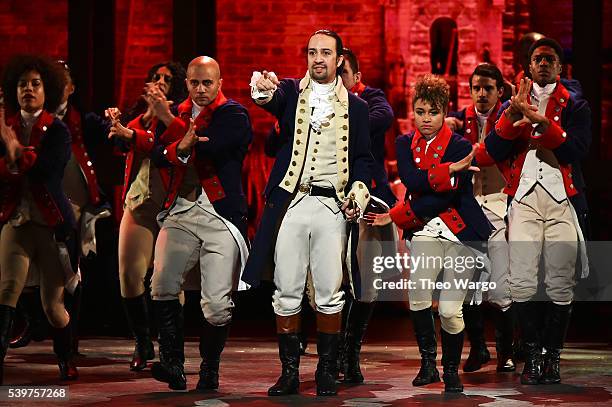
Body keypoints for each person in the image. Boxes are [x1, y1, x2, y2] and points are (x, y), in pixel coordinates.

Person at [244, 29, 373, 397]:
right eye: (312, 52)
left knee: (330, 290)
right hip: (293, 202)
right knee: (285, 289)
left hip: (331, 205)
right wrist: (263, 86)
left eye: (326, 53)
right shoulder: (290, 93)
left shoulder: (358, 108)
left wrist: (359, 194)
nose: (318, 59)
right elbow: (267, 97)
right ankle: (289, 373)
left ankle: (327, 372)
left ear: (339, 59)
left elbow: (364, 160)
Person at [367, 74, 492, 393]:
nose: (426, 119)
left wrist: (396, 215)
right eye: (420, 111)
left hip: (462, 233)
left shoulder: (461, 145)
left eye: (433, 112)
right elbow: (412, 180)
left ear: (444, 111)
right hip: (424, 230)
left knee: (450, 309)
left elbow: (445, 195)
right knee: (419, 297)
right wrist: (448, 170)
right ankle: (429, 365)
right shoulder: (403, 143)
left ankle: (451, 368)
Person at [485, 37, 591, 385]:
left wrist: (543, 125)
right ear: (528, 66)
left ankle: (552, 357)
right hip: (526, 199)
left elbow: (576, 149)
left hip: (562, 199)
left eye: (550, 59)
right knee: (522, 282)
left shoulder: (575, 105)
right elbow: (493, 150)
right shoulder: (515, 101)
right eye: (537, 59)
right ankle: (531, 353)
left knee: (561, 282)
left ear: (560, 68)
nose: (543, 63)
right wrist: (513, 117)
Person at [147, 56, 251, 391]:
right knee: (161, 282)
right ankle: (173, 364)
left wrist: (172, 131)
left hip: (220, 215)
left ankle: (209, 369)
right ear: (187, 83)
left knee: (217, 304)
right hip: (182, 209)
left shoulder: (233, 114)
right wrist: (173, 139)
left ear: (219, 82)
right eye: (194, 83)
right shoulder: (175, 112)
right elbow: (158, 155)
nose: (201, 89)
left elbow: (208, 150)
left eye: (207, 83)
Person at [10, 61, 112, 354]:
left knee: (66, 275)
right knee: (14, 275)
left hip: (67, 205)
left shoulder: (72, 122)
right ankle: (27, 323)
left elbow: (109, 134)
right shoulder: (23, 120)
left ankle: (68, 338)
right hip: (28, 205)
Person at [105, 61, 187, 371]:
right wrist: (119, 125)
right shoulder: (138, 119)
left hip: (171, 206)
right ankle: (142, 342)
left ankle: (171, 350)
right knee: (129, 275)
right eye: (156, 77)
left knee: (169, 281)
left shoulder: (178, 117)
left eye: (167, 79)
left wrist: (132, 131)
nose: (160, 82)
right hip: (139, 203)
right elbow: (117, 142)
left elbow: (163, 150)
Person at [0, 55, 78, 382]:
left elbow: (47, 172)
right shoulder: (5, 127)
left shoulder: (58, 130)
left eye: (35, 84)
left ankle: (65, 357)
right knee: (7, 292)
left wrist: (15, 150)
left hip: (51, 226)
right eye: (22, 84)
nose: (29, 90)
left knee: (53, 308)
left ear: (48, 89)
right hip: (16, 223)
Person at [446, 63, 516, 373]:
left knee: (500, 286)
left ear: (500, 91)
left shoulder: (510, 117)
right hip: (471, 208)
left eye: (488, 88)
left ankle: (506, 350)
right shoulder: (461, 119)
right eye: (476, 88)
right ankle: (478, 348)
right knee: (469, 284)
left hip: (501, 207)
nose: (482, 94)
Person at [339, 47, 396, 383]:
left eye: (343, 73)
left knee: (367, 285)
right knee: (328, 284)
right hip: (329, 202)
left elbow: (383, 117)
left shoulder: (371, 99)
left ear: (357, 78)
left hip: (369, 202)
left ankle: (351, 353)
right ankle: (332, 352)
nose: (336, 80)